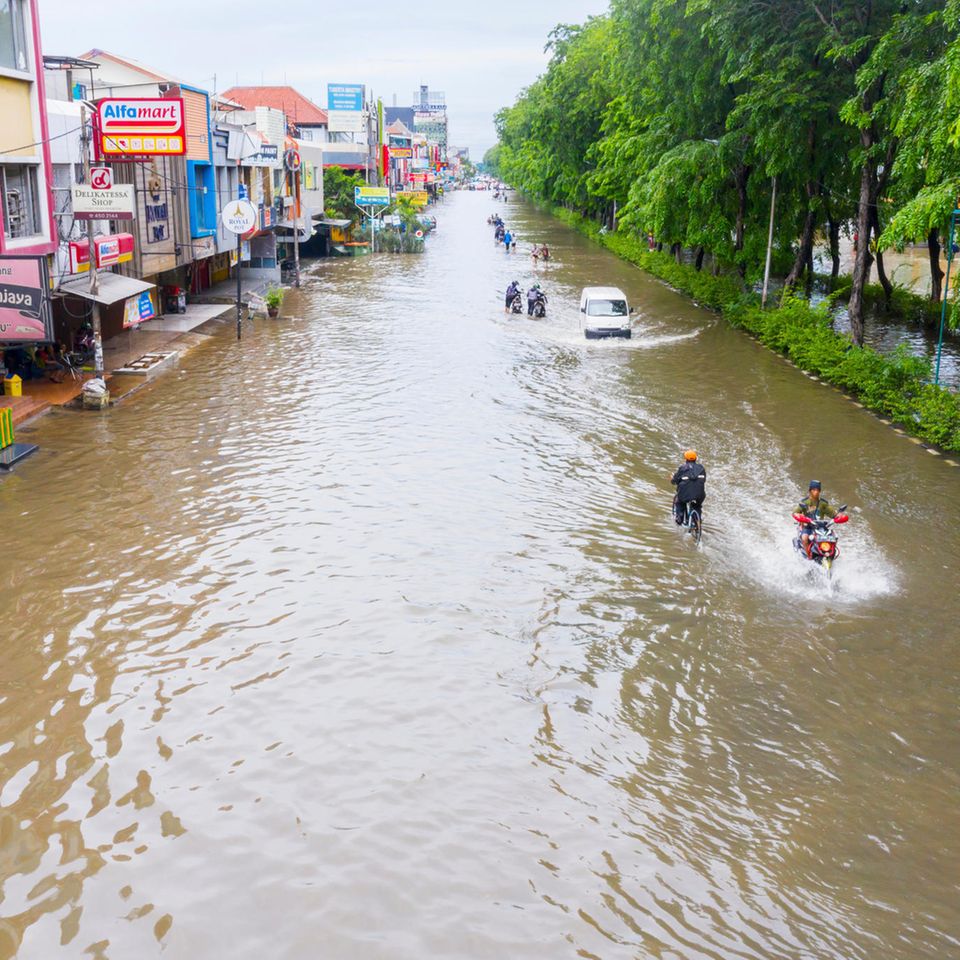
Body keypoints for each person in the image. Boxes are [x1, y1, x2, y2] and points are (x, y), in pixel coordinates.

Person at [795, 480, 837, 558]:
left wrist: (839, 516)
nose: (816, 492)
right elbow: (795, 512)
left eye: (818, 490)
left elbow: (833, 514)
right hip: (808, 527)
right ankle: (809, 556)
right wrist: (800, 517)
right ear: (810, 490)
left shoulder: (823, 503)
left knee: (834, 537)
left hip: (820, 527)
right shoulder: (805, 502)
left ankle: (831, 555)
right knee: (804, 538)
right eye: (814, 490)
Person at [671, 450, 706, 525]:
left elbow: (676, 480)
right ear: (695, 459)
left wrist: (673, 480)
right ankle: (697, 520)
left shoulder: (682, 468)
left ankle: (679, 517)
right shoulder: (701, 468)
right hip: (699, 494)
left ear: (686, 459)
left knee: (679, 502)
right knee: (697, 505)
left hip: (685, 494)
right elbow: (704, 480)